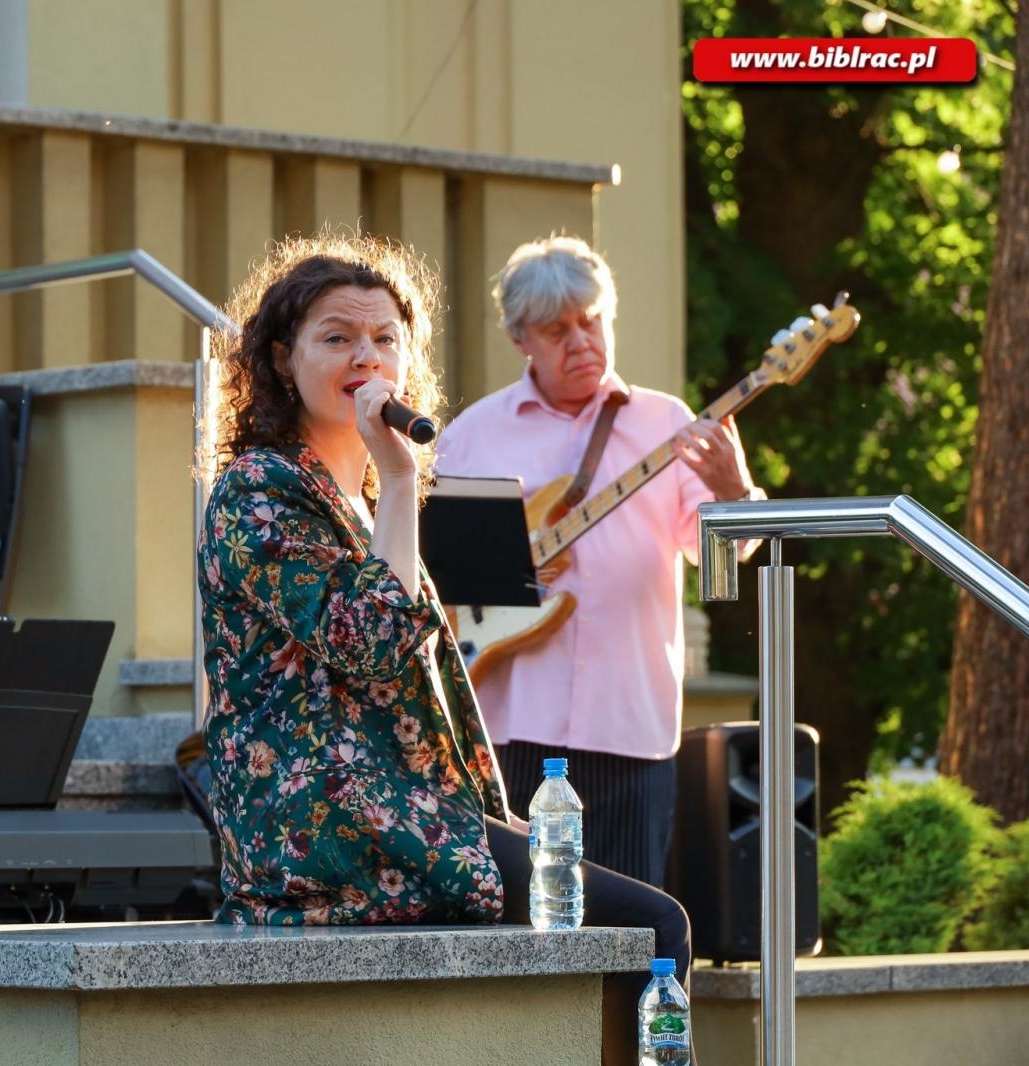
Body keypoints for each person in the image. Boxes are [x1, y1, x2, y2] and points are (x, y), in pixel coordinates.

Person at [197, 233, 695, 1064]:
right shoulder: (259, 492)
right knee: (655, 927)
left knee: (630, 927)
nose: (368, 355)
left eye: (386, 338)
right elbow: (376, 644)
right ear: (283, 361)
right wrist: (398, 481)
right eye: (338, 337)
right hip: (335, 832)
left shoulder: (354, 501)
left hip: (406, 813)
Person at [435, 235, 762, 889]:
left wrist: (733, 493)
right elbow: (435, 573)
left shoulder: (669, 424)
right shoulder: (472, 433)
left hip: (628, 728)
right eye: (558, 330)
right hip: (508, 726)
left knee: (631, 925)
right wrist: (505, 568)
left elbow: (719, 556)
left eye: (592, 320)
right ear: (520, 337)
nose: (581, 340)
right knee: (513, 923)